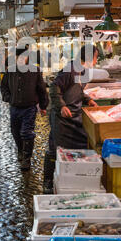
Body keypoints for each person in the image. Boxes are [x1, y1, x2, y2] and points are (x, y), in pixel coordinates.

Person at [42, 45, 98, 193]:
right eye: (96, 57)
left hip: (75, 118)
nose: (96, 60)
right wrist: (61, 106)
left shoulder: (84, 71)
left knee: (76, 149)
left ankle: (70, 178)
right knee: (56, 149)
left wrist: (87, 99)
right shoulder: (70, 68)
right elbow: (55, 87)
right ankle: (48, 182)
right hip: (62, 118)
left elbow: (77, 90)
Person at [1, 48, 48, 171]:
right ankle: (21, 151)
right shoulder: (10, 70)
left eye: (24, 57)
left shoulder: (35, 70)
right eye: (19, 57)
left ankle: (26, 158)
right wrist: (8, 97)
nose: (21, 59)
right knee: (15, 131)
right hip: (14, 107)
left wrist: (43, 106)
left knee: (26, 132)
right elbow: (4, 86)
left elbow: (41, 89)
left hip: (29, 107)